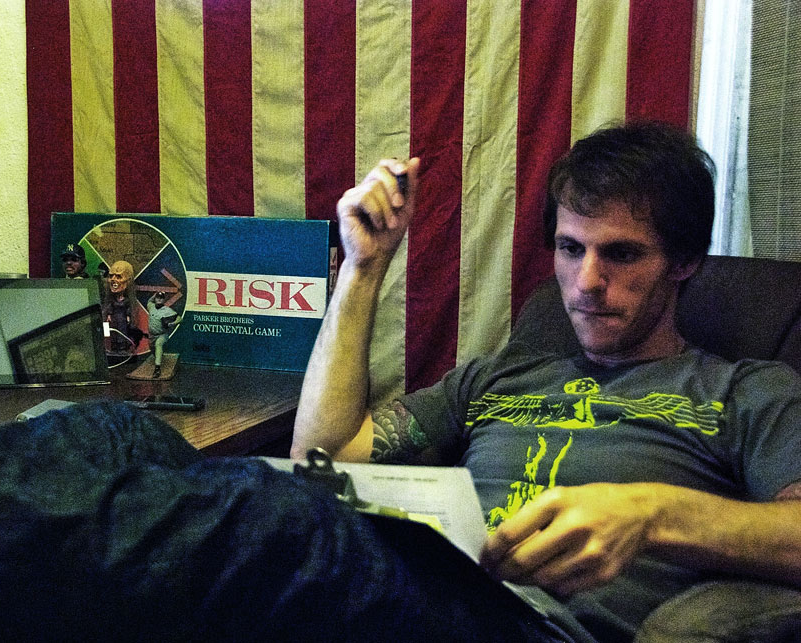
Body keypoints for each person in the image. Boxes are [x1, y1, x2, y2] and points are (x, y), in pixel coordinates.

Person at [291, 121, 801, 641]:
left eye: (621, 254)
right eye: (570, 249)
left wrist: (652, 514)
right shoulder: (500, 376)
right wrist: (363, 267)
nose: (587, 283)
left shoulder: (744, 393)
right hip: (413, 602)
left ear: (684, 261)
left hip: (537, 628)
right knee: (253, 503)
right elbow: (323, 457)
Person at [103, 260, 143, 353]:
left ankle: (122, 348)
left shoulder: (127, 300)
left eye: (118, 277)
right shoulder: (112, 300)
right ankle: (114, 347)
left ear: (128, 280)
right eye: (111, 276)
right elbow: (109, 307)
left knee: (122, 333)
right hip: (114, 319)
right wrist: (108, 315)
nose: (113, 280)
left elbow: (129, 308)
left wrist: (128, 316)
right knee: (113, 333)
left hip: (122, 320)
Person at [146, 292, 180, 378]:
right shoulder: (151, 306)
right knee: (153, 350)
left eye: (161, 298)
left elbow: (180, 318)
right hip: (152, 335)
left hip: (162, 334)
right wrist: (155, 294)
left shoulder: (167, 310)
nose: (159, 299)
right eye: (158, 297)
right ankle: (159, 357)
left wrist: (173, 323)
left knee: (158, 344)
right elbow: (149, 301)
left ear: (164, 300)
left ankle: (157, 369)